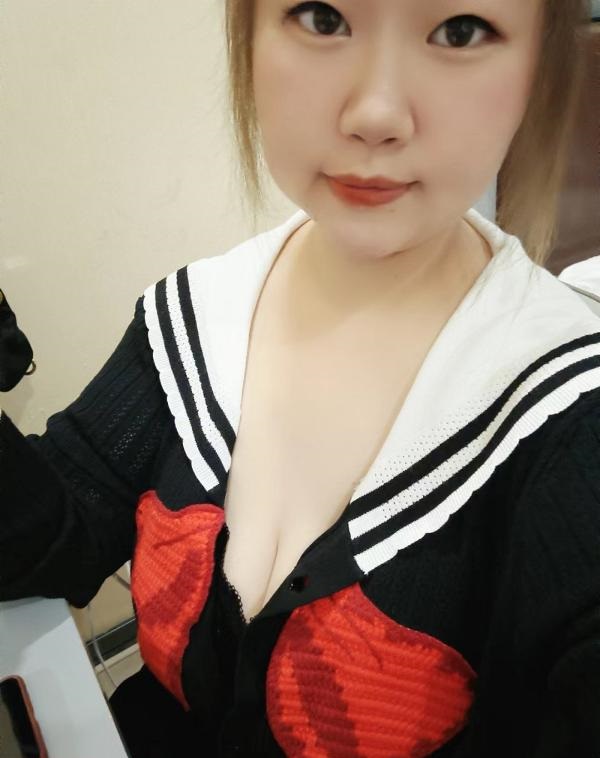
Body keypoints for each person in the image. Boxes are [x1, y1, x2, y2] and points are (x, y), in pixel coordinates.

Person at [1, 1, 599, 755]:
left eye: (460, 31)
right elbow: (52, 539)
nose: (375, 113)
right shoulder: (197, 314)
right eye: (322, 17)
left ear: (538, 69)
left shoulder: (569, 413)